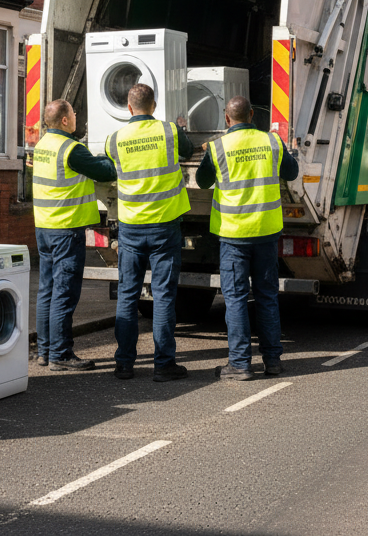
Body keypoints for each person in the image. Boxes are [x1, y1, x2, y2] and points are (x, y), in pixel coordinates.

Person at [196, 96, 299, 381]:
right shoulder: (272, 142)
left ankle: (240, 364)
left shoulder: (218, 147)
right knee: (267, 297)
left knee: (236, 299)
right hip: (266, 232)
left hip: (234, 235)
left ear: (226, 118)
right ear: (252, 115)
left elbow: (203, 182)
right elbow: (292, 172)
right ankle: (273, 361)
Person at [105, 83, 195, 382]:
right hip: (164, 226)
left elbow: (109, 167)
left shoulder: (114, 139)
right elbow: (188, 151)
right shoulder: (169, 131)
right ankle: (163, 364)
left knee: (127, 295)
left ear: (128, 108)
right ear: (154, 106)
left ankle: (124, 364)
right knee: (164, 295)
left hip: (131, 227)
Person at [32, 99, 116, 371]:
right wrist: (111, 157)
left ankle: (44, 351)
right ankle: (61, 354)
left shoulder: (42, 145)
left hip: (44, 227)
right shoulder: (71, 149)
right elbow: (105, 171)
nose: (77, 115)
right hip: (66, 230)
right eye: (74, 113)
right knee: (64, 293)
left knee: (47, 290)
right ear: (65, 120)